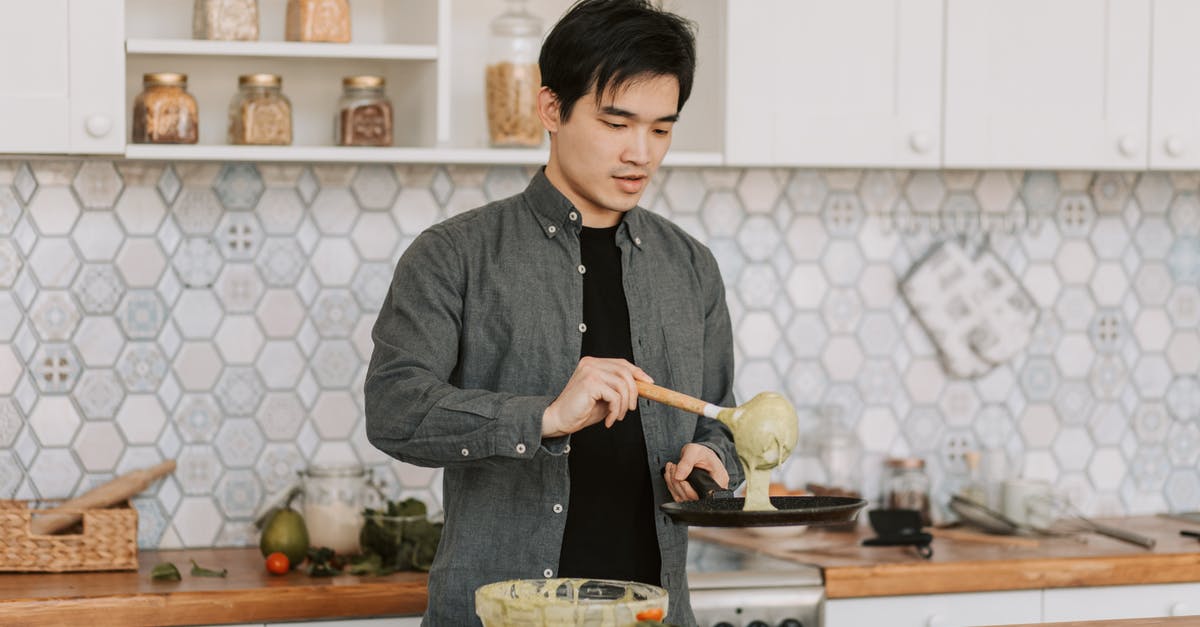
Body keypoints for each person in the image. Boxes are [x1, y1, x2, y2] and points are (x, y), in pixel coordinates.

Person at [365, 1, 741, 623]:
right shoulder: (453, 254)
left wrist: (713, 461)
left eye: (660, 128)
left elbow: (717, 417)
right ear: (551, 110)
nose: (640, 154)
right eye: (616, 123)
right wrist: (542, 417)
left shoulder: (692, 266)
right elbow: (393, 409)